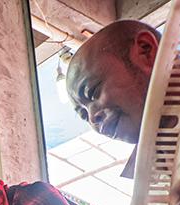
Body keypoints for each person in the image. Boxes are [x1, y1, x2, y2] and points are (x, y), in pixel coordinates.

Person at [64, 20, 161, 178]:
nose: (92, 118)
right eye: (83, 115)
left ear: (146, 51)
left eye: (92, 92)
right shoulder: (149, 187)